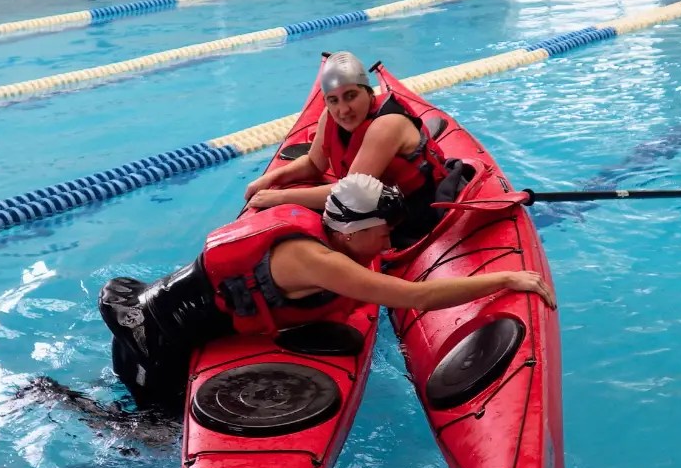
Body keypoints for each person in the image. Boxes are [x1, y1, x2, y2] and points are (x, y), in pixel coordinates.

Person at [99, 174, 555, 411]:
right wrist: (507, 279)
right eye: (383, 234)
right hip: (155, 346)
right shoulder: (321, 261)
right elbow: (415, 297)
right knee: (147, 439)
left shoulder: (326, 223)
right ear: (355, 232)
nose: (389, 244)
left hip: (155, 313)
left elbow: (332, 190)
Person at [243, 51, 452, 247]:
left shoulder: (387, 125)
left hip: (414, 214)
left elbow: (349, 194)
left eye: (351, 95)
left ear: (369, 92)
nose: (343, 110)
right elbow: (314, 164)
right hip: (374, 209)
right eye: (333, 100)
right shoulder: (329, 116)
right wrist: (269, 179)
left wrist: (279, 198)